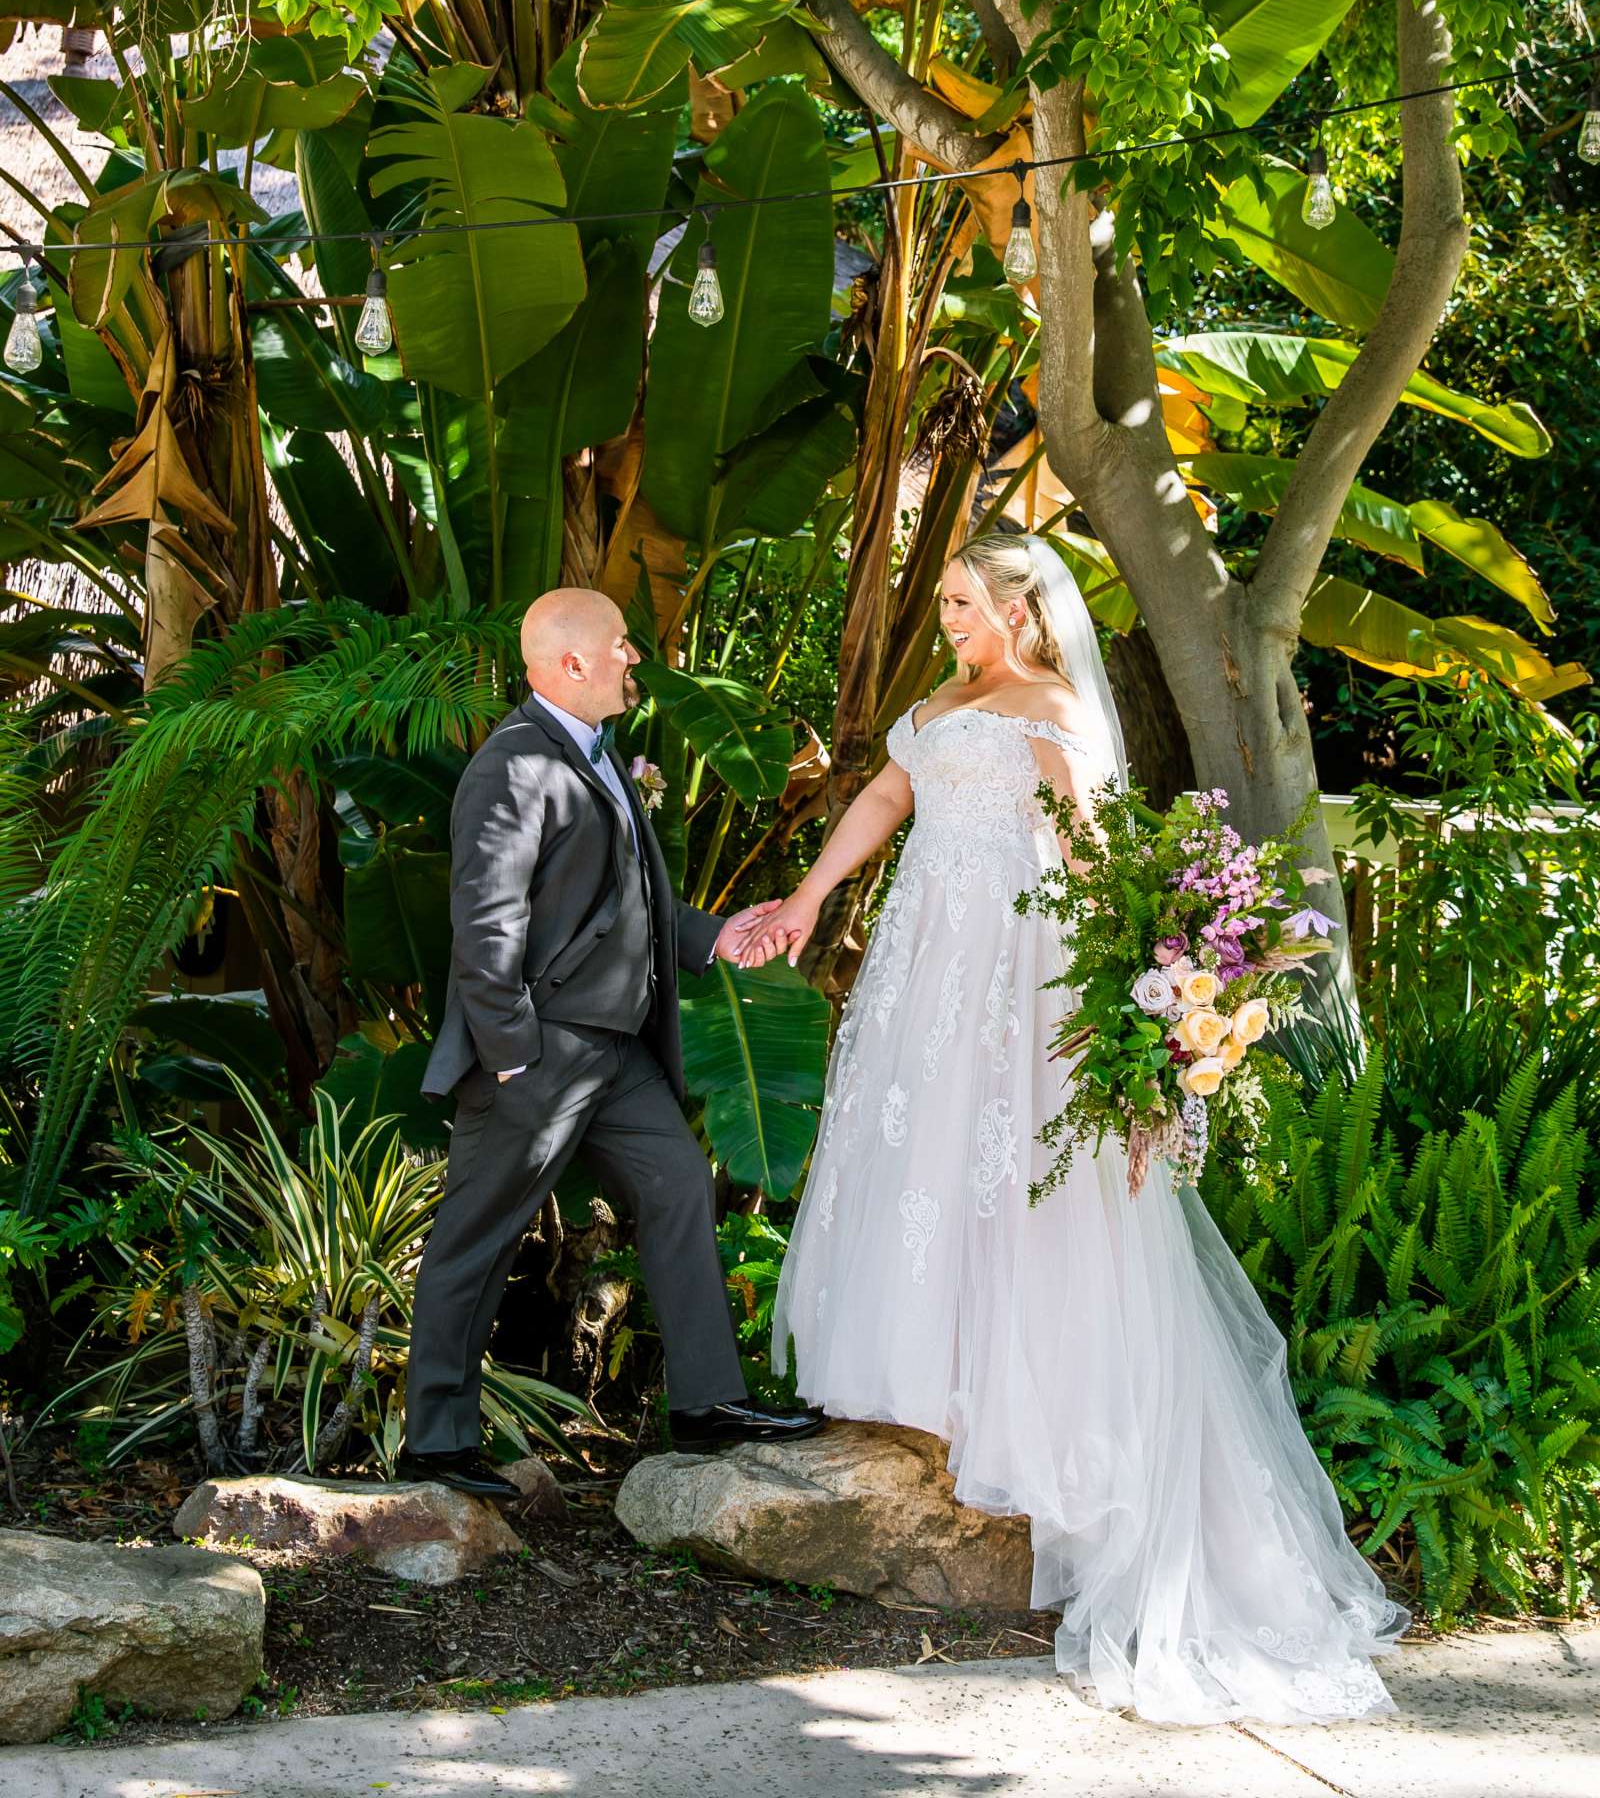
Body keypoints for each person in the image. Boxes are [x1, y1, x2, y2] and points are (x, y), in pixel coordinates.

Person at [735, 534, 1407, 1726]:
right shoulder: (944, 699)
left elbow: (1095, 862)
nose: (940, 617)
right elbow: (891, 794)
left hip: (1013, 966)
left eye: (956, 602)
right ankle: (921, 1385)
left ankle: (1029, 1417)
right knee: (918, 1153)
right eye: (940, 600)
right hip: (921, 958)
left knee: (1008, 1167)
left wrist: (1142, 1008)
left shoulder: (1049, 709)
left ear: (1019, 609)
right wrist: (808, 896)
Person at [402, 587, 823, 1495]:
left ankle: (708, 1404)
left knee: (679, 1193)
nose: (636, 658)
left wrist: (720, 937)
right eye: (622, 646)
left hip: (618, 1054)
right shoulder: (512, 768)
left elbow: (627, 904)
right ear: (569, 665)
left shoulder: (594, 753)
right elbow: (483, 930)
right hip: (542, 1053)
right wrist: (513, 1054)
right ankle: (435, 1444)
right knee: (477, 1238)